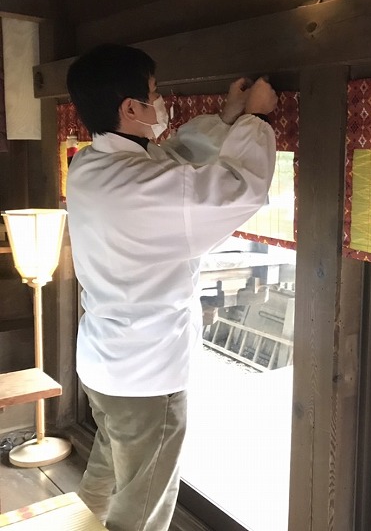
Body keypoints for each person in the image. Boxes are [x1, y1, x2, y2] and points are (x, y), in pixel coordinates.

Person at [65, 43, 277, 531]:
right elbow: (237, 188)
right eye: (155, 94)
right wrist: (257, 121)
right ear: (131, 108)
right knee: (144, 506)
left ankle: (75, 521)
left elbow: (171, 162)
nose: (162, 103)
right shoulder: (140, 185)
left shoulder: (89, 165)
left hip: (104, 364)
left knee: (112, 459)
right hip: (147, 374)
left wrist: (227, 117)